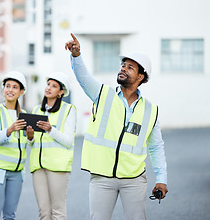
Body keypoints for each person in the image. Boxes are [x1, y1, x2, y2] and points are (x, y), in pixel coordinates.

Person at [65, 33, 168, 220]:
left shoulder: (150, 110)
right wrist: (76, 55)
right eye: (123, 65)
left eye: (130, 67)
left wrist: (161, 179)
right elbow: (83, 77)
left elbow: (156, 147)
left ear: (141, 76)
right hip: (102, 178)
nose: (123, 69)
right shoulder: (102, 94)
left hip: (134, 179)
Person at [25, 72, 77, 220]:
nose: (49, 88)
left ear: (61, 92)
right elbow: (32, 142)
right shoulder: (36, 110)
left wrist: (50, 129)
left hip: (58, 167)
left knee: (58, 212)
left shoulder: (68, 110)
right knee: (43, 213)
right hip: (38, 167)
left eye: (54, 86)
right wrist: (29, 136)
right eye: (48, 84)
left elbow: (68, 141)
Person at [0, 71, 30, 220]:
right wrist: (10, 129)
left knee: (10, 216)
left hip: (16, 172)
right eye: (7, 86)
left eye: (15, 87)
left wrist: (30, 135)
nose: (10, 90)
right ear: (3, 89)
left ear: (21, 92)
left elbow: (25, 142)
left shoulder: (25, 115)